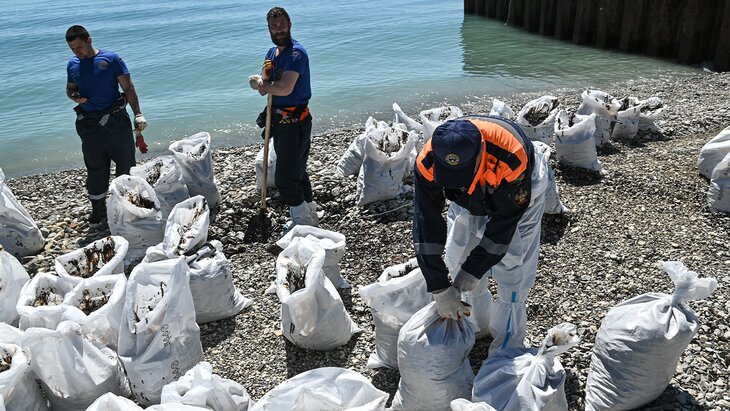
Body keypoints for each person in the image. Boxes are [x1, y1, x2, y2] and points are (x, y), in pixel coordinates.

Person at [413, 115, 548, 353]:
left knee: (512, 266)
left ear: (481, 153)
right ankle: (477, 325)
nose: (458, 181)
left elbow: (503, 225)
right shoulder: (428, 159)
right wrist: (439, 286)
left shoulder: (512, 158)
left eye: (462, 174)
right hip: (470, 197)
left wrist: (472, 271)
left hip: (517, 186)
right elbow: (426, 219)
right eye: (450, 175)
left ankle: (507, 347)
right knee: (458, 252)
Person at [65, 25, 147, 226]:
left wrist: (138, 114)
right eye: (72, 49)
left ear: (89, 40)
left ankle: (125, 205)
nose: (77, 52)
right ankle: (98, 209)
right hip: (88, 124)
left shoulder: (111, 59)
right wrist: (74, 96)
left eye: (79, 47)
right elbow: (70, 89)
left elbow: (128, 87)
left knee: (126, 164)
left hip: (115, 120)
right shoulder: (72, 64)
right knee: (95, 167)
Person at [249, 7, 317, 228]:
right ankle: (310, 215)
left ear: (290, 25)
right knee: (297, 171)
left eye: (282, 25)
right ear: (269, 28)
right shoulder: (271, 53)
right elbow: (268, 86)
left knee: (285, 181)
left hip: (295, 123)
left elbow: (285, 88)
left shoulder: (296, 54)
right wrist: (262, 82)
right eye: (274, 26)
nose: (279, 30)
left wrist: (261, 85)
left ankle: (302, 223)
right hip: (280, 123)